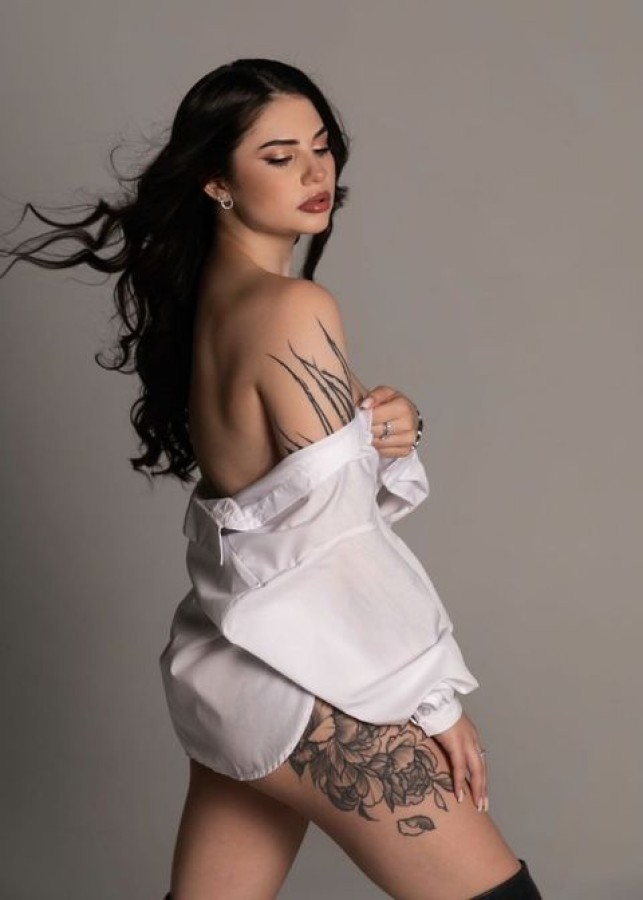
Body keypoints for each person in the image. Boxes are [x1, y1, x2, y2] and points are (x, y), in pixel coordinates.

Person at [0, 58, 542, 899]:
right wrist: (433, 699)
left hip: (232, 670)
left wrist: (390, 428)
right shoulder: (295, 308)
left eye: (321, 148)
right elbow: (334, 546)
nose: (315, 173)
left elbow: (282, 499)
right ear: (216, 181)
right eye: (280, 156)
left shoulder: (208, 304)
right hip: (305, 680)